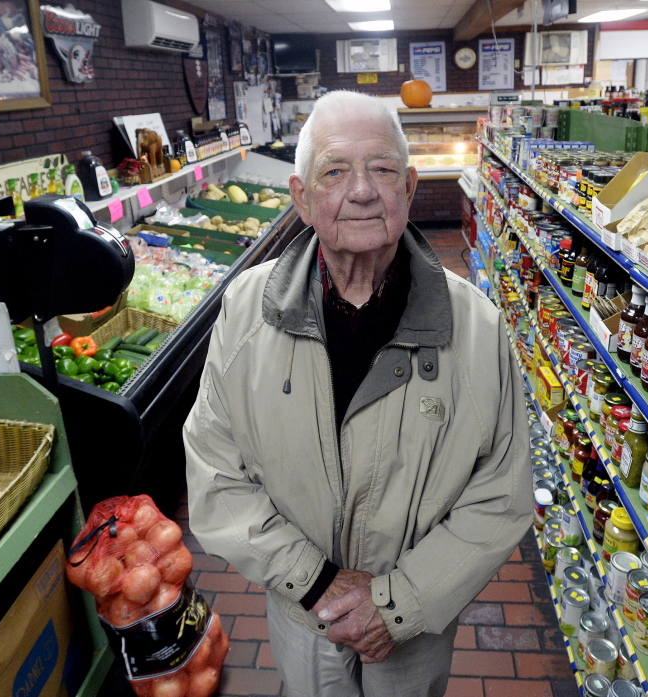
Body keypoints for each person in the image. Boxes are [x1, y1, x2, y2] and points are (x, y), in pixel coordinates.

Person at [183, 90, 532, 697]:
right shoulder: (246, 311)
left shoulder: (476, 329)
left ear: (411, 187)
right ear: (301, 198)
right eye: (335, 171)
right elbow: (215, 469)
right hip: (300, 609)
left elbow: (501, 494)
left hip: (416, 628)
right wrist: (316, 582)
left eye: (382, 169)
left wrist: (400, 604)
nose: (363, 190)